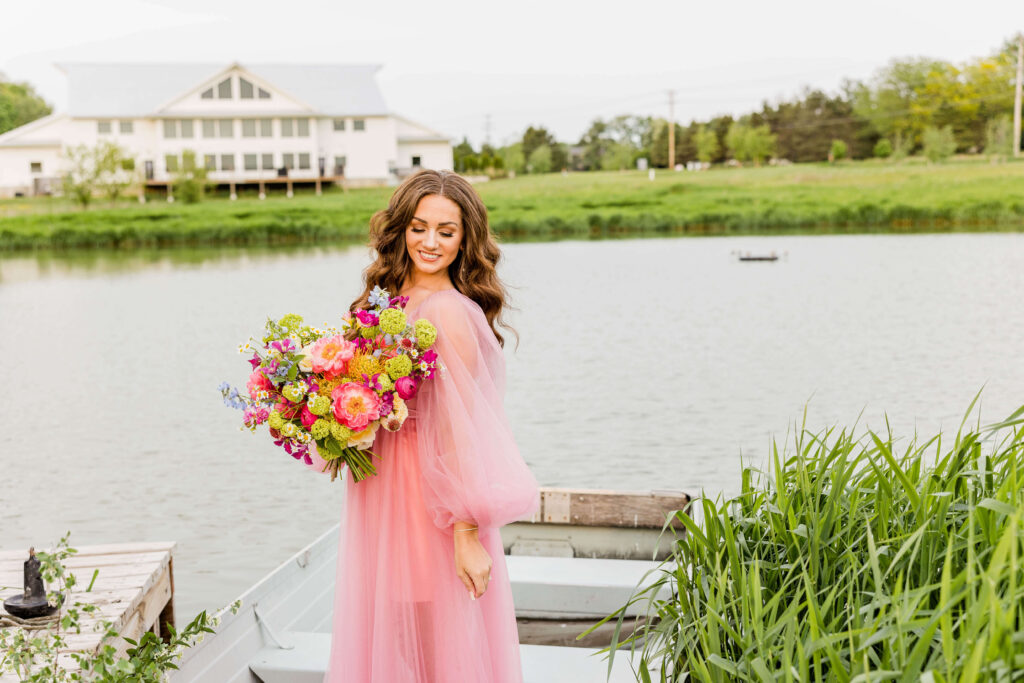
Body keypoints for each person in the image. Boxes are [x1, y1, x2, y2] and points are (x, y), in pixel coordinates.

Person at [304, 169, 540, 682]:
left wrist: (465, 531)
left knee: (433, 636)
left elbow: (460, 431)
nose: (430, 242)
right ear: (399, 230)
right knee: (393, 636)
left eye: (446, 231)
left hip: (425, 497)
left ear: (465, 240)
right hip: (381, 489)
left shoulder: (448, 312)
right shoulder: (383, 304)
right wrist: (335, 426)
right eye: (418, 227)